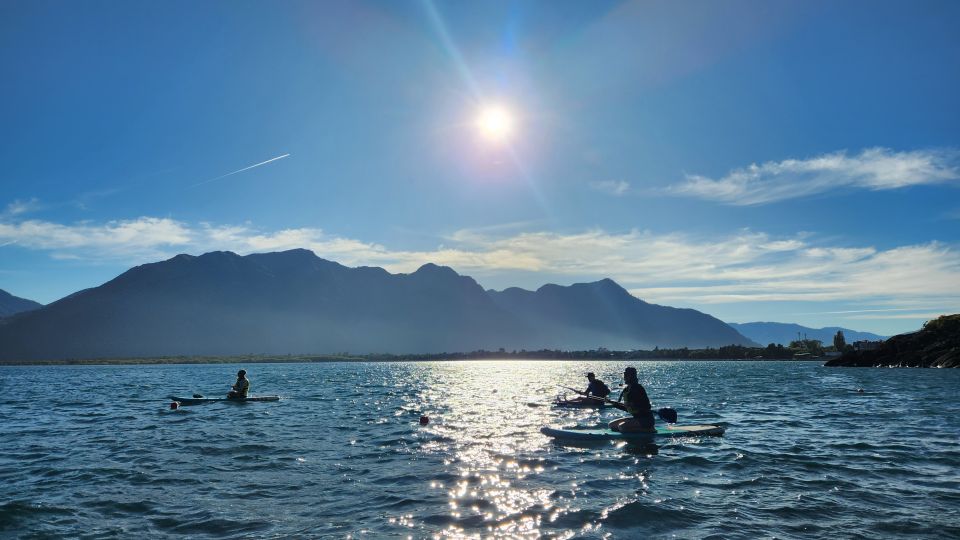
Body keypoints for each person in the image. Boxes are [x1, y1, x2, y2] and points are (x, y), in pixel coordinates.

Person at [609, 366, 656, 433]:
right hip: (636, 418)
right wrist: (614, 404)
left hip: (646, 420)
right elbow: (627, 409)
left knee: (622, 427)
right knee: (611, 425)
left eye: (626, 375)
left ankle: (649, 429)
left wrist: (634, 405)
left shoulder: (638, 388)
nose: (624, 377)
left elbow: (647, 406)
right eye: (624, 375)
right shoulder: (626, 389)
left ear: (631, 377)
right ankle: (631, 429)